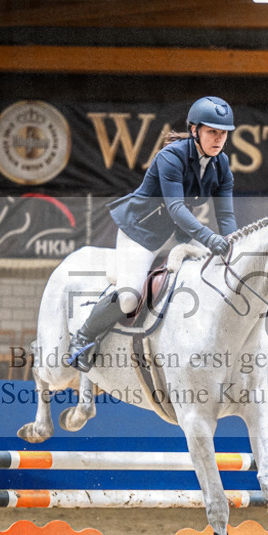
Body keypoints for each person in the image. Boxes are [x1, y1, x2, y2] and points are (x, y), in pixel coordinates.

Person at [67, 96, 237, 371]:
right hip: (141, 233)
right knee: (129, 298)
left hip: (177, 234)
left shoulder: (222, 164)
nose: (218, 139)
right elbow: (175, 208)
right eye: (212, 132)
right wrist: (209, 238)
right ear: (194, 130)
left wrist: (233, 246)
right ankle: (83, 337)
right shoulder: (171, 157)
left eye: (223, 133)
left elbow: (226, 216)